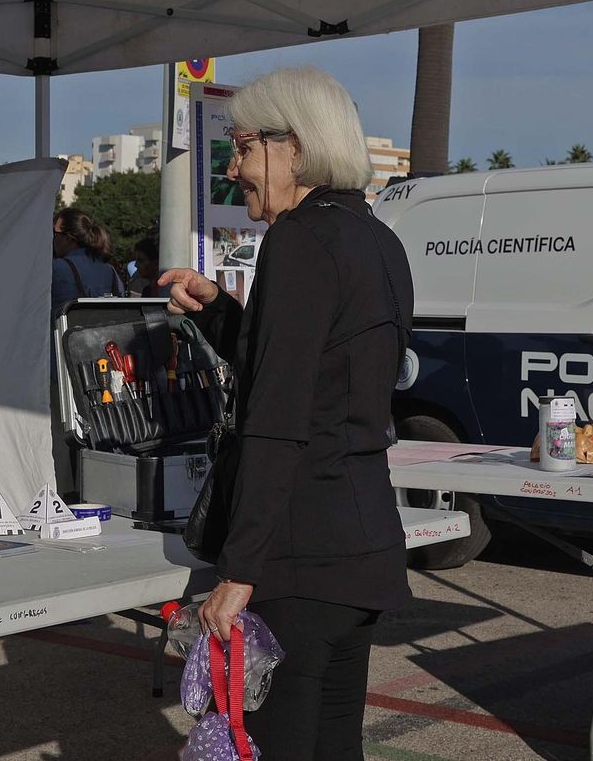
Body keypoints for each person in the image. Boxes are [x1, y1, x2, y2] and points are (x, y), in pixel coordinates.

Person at [159, 66, 412, 760]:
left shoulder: (299, 239)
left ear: (293, 147)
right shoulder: (376, 238)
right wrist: (221, 311)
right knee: (335, 744)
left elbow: (278, 417)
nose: (233, 168)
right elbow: (320, 370)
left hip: (302, 551)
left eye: (242, 148)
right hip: (360, 541)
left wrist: (239, 571)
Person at [50, 207, 124, 315]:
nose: (53, 238)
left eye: (55, 233)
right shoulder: (110, 271)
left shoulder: (54, 269)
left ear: (69, 238)